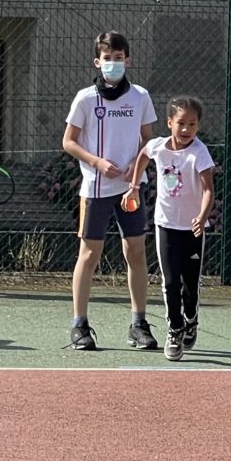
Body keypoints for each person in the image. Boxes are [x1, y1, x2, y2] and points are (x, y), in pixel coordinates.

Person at [62, 31, 158, 351]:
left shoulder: (140, 96)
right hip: (96, 188)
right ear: (97, 62)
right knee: (89, 254)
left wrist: (136, 166)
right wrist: (97, 162)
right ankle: (79, 325)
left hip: (130, 188)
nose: (113, 63)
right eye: (108, 58)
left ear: (128, 60)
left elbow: (148, 140)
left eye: (119, 58)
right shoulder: (86, 98)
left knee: (136, 252)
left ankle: (138, 324)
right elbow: (69, 141)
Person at [126, 96, 216, 362]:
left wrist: (201, 216)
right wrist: (134, 187)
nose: (186, 129)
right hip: (165, 225)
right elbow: (143, 155)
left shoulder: (199, 152)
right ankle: (175, 330)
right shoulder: (158, 146)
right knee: (170, 281)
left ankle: (191, 319)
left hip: (192, 230)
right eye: (181, 123)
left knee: (190, 285)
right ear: (169, 123)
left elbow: (208, 190)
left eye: (192, 124)